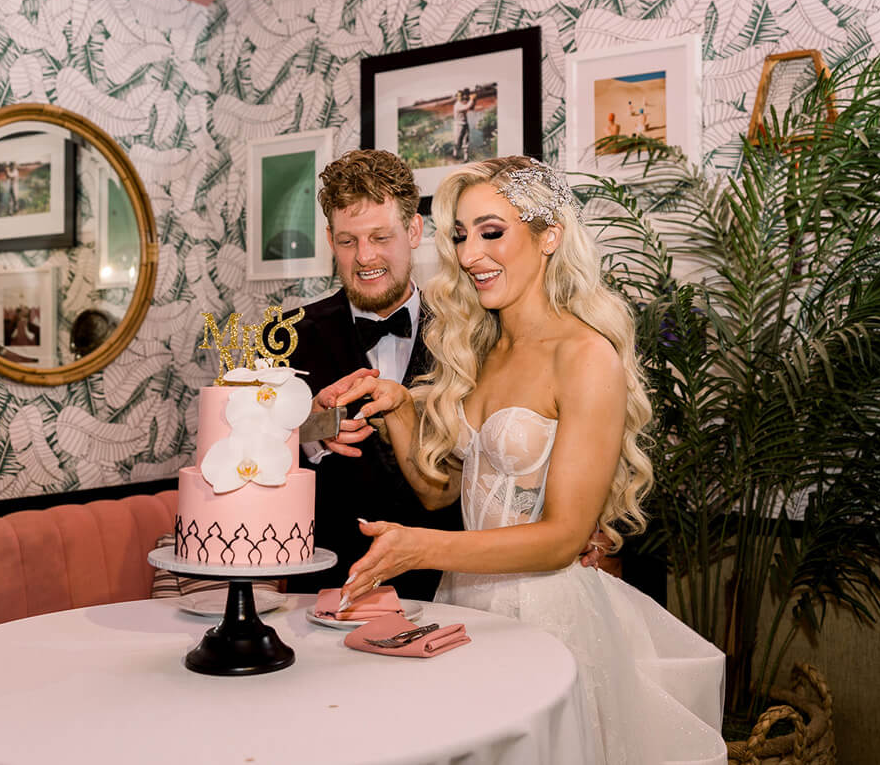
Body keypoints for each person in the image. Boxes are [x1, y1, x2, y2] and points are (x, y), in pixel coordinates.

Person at [333, 156, 727, 765]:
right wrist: (397, 412)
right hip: (465, 606)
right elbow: (444, 494)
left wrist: (419, 549)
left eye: (492, 232)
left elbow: (562, 538)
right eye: (461, 236)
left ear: (549, 237)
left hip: (550, 615)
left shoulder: (585, 354)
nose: (469, 255)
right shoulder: (481, 346)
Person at [282, 149, 463, 601]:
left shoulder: (469, 332)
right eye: (348, 241)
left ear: (415, 230)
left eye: (381, 237)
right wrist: (313, 427)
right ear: (329, 239)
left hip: (444, 586)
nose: (365, 257)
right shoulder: (284, 335)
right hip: (323, 588)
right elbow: (250, 450)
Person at [452, 88, 476, 160]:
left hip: (465, 124)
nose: (461, 97)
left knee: (466, 140)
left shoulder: (462, 103)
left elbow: (471, 108)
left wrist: (474, 100)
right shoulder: (457, 105)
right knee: (457, 141)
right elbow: (467, 107)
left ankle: (466, 158)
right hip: (458, 125)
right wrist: (472, 99)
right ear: (457, 97)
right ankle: (455, 154)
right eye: (459, 96)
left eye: (461, 95)